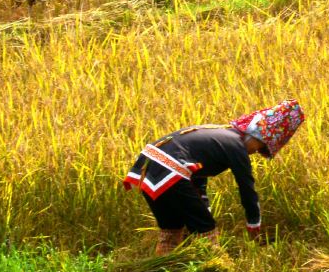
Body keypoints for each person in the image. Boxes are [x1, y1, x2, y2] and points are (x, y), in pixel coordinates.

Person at [123, 101, 305, 253]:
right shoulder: (236, 145)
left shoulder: (219, 135)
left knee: (172, 228)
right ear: (254, 136)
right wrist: (253, 225)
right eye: (258, 147)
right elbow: (247, 188)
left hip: (147, 167)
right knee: (205, 227)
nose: (254, 152)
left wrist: (204, 207)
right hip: (170, 170)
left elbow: (197, 176)